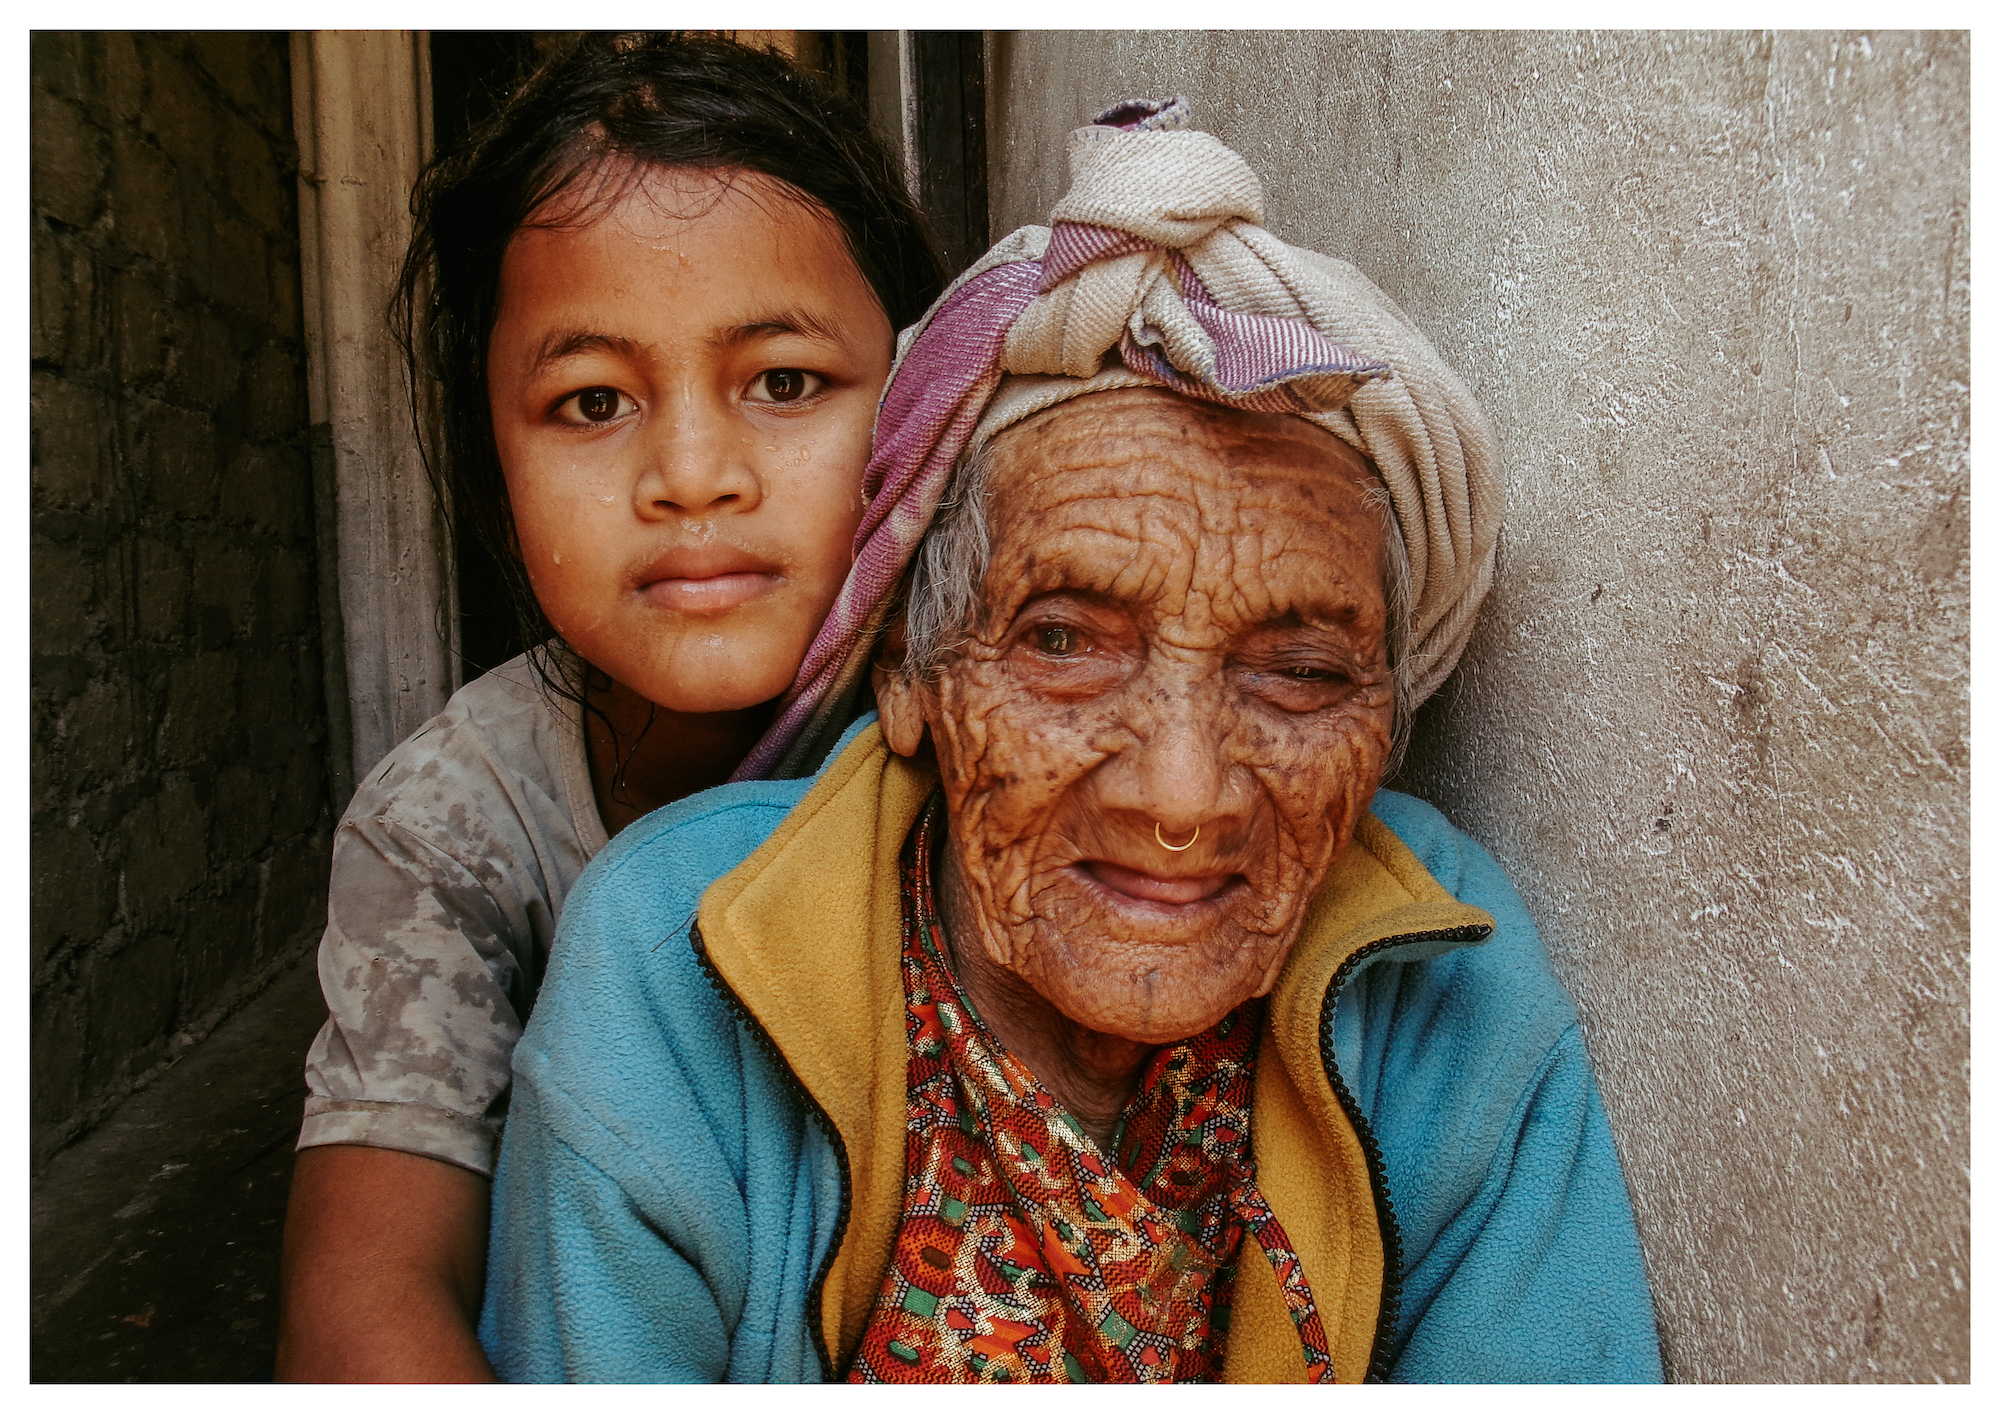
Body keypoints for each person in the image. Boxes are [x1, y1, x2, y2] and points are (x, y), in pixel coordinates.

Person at [478, 99, 1662, 1383]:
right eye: (1063, 643)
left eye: (1303, 673)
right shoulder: (666, 968)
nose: (1183, 793)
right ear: (911, 671)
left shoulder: (1451, 977)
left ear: (1385, 720)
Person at [274, 33, 944, 1382]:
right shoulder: (462, 822)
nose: (693, 474)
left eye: (785, 381)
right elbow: (364, 1296)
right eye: (591, 400)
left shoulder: (987, 721)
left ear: (923, 395)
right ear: (491, 446)